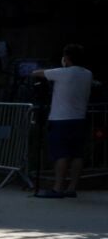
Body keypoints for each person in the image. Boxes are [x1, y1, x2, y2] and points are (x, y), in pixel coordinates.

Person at [36, 45, 93, 199]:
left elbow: (36, 73)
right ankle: (72, 187)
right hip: (80, 119)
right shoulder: (88, 74)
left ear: (66, 58)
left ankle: (57, 188)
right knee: (77, 155)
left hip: (61, 119)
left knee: (61, 154)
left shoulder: (62, 73)